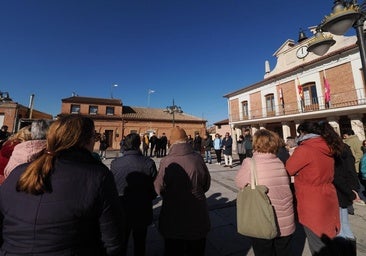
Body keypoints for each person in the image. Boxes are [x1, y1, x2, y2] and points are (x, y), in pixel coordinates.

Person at [0, 115, 124, 255]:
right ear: (85, 140)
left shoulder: (18, 172)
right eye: (93, 136)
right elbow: (112, 239)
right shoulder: (97, 176)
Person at [235, 129, 295, 256]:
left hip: (263, 217)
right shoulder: (278, 161)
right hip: (285, 216)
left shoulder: (250, 163)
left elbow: (239, 183)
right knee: (284, 250)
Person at [154, 126, 211, 256]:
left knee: (174, 249)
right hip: (197, 214)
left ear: (171, 142)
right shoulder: (197, 158)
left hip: (173, 215)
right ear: (186, 140)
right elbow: (206, 184)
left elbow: (158, 187)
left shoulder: (166, 161)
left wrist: (170, 195)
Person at [286, 121, 340, 254]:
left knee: (317, 243)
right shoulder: (327, 145)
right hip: (328, 195)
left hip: (311, 198)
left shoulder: (305, 149)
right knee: (329, 238)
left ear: (304, 133)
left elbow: (289, 168)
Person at [110, 132, 157, 256]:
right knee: (140, 243)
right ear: (139, 144)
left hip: (121, 208)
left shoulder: (115, 163)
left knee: (122, 242)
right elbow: (154, 186)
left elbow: (112, 186)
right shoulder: (149, 162)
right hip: (142, 208)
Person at [319, 122, 359, 254]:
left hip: (335, 192)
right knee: (345, 225)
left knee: (339, 229)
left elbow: (335, 175)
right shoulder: (344, 146)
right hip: (345, 191)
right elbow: (351, 169)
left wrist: (350, 192)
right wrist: (353, 189)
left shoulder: (329, 150)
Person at [343, 128, 366, 205]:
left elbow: (357, 154)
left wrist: (353, 161)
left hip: (355, 166)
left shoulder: (349, 142)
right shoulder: (357, 140)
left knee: (358, 184)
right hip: (359, 165)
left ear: (346, 134)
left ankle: (362, 198)